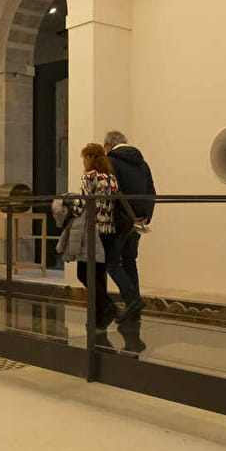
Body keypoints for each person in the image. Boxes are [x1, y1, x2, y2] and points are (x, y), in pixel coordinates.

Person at [69, 143, 121, 332]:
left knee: (83, 273)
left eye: (84, 157)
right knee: (99, 276)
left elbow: (81, 204)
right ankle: (99, 319)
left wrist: (69, 207)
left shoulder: (89, 177)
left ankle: (109, 308)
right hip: (109, 231)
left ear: (90, 157)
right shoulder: (111, 179)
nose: (83, 161)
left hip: (92, 231)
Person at [105, 130, 154, 322]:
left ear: (109, 145)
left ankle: (132, 299)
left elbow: (113, 190)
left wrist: (124, 215)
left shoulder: (111, 161)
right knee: (129, 260)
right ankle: (134, 307)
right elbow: (151, 190)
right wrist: (145, 216)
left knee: (112, 262)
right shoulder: (143, 164)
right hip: (138, 219)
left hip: (120, 219)